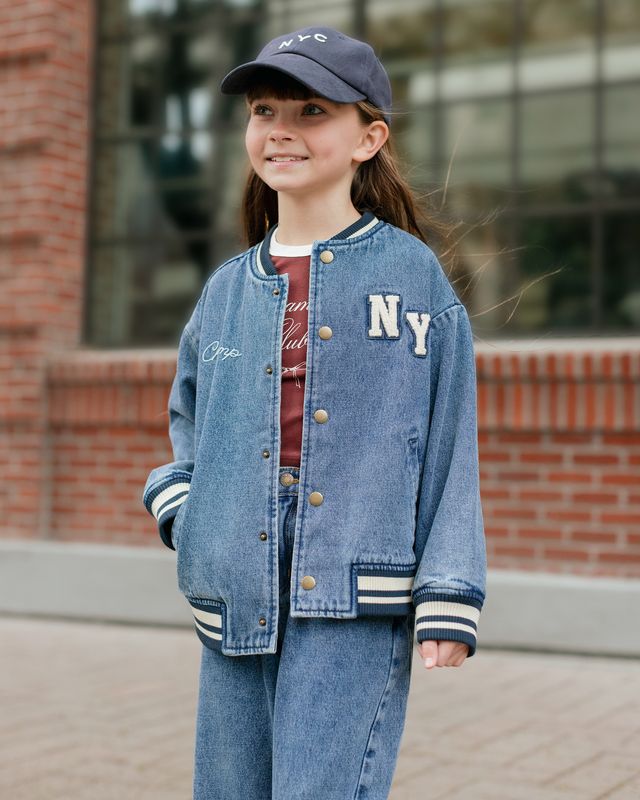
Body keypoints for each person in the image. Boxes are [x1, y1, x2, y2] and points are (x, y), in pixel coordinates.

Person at [142, 24, 487, 800]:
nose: (282, 131)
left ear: (369, 137)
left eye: (311, 111)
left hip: (356, 580)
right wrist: (185, 510)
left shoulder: (413, 277)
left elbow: (447, 438)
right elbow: (189, 417)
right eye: (266, 111)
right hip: (234, 577)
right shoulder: (227, 288)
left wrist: (450, 588)